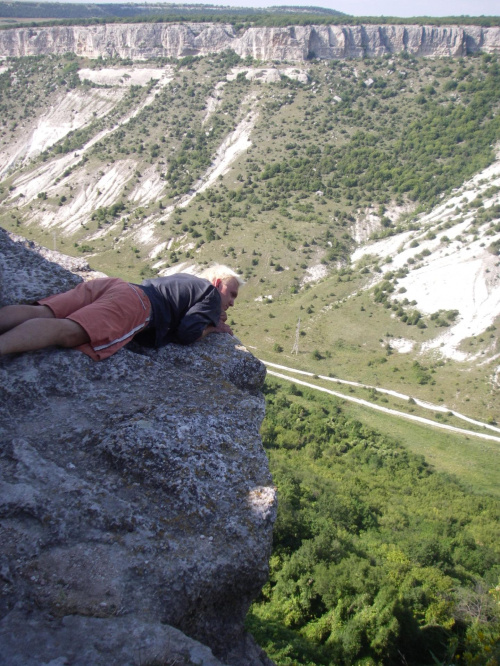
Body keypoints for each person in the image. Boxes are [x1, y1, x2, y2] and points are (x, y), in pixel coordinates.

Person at [0, 265, 243, 361]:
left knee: (44, 312)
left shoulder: (188, 280)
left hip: (117, 286)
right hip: (137, 304)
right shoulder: (210, 293)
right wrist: (212, 327)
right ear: (217, 281)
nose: (231, 302)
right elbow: (187, 333)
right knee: (70, 331)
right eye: (231, 293)